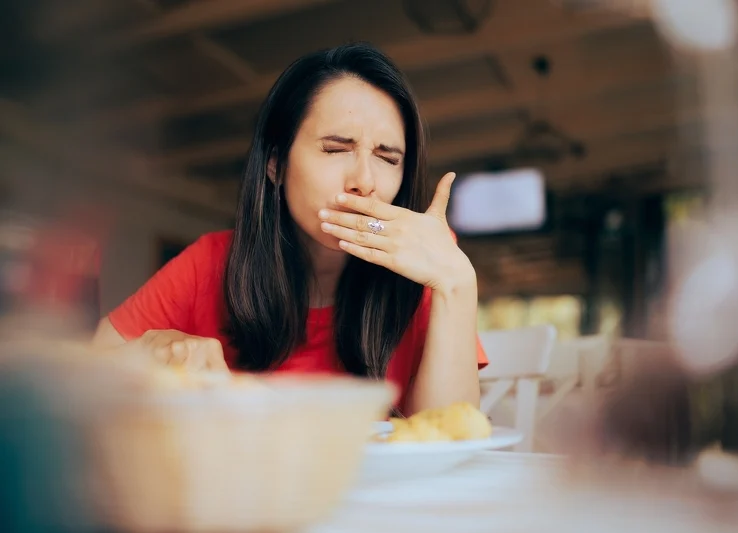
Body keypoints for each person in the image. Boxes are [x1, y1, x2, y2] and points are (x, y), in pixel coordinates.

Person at [92, 42, 487, 415]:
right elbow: (87, 371)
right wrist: (157, 352)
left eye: (388, 158)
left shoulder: (429, 261)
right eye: (335, 149)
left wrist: (455, 284)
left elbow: (448, 434)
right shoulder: (211, 262)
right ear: (276, 165)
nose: (364, 181)